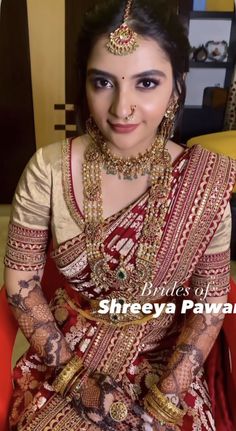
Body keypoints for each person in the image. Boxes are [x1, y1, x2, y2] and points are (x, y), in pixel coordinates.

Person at [4, 0, 236, 430]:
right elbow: (21, 280)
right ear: (84, 84)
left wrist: (166, 398)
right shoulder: (49, 169)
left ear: (177, 86)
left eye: (147, 82)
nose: (121, 108)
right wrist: (76, 381)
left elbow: (210, 299)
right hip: (68, 348)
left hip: (166, 353)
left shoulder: (207, 180)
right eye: (103, 82)